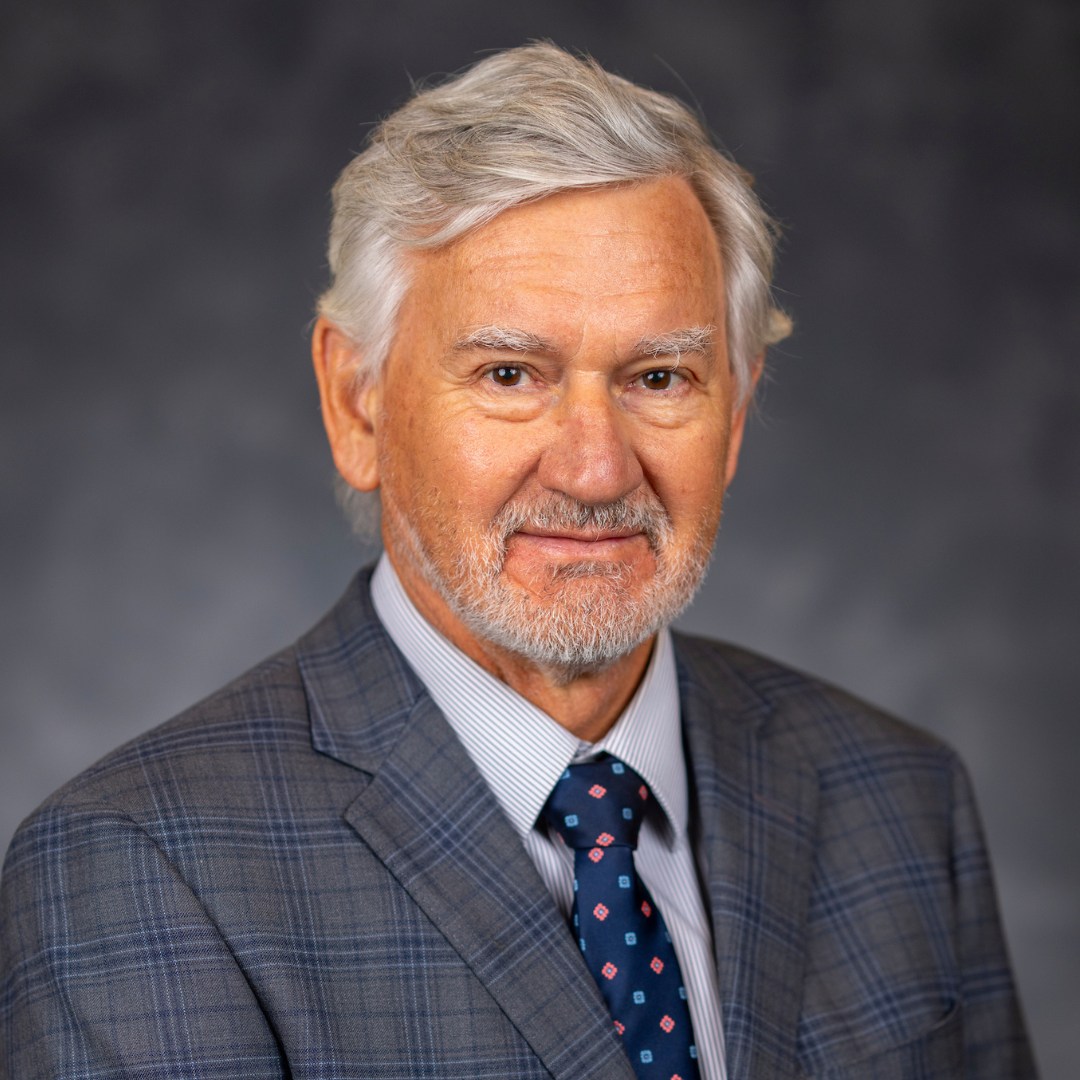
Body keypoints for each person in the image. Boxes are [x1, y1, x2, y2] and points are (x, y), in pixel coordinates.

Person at [0, 43, 1034, 1080]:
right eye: (509, 372)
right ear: (357, 403)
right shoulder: (139, 869)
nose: (593, 469)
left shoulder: (900, 800)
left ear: (737, 411)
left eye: (660, 376)